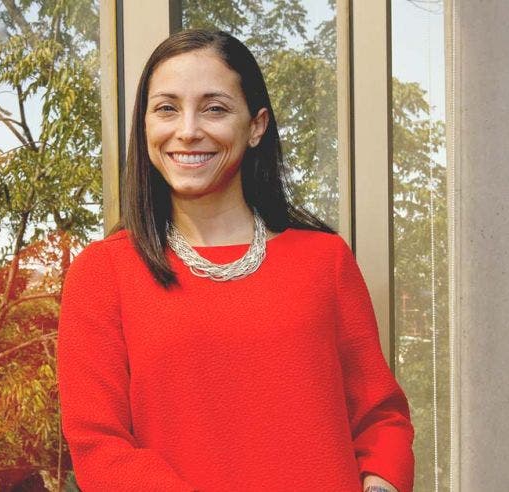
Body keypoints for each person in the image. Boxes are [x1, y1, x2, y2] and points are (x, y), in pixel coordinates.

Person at [57, 29, 414, 491]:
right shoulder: (104, 273)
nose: (187, 130)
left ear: (256, 126)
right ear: (145, 125)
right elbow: (99, 447)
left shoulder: (325, 261)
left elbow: (380, 418)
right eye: (166, 108)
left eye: (214, 108)